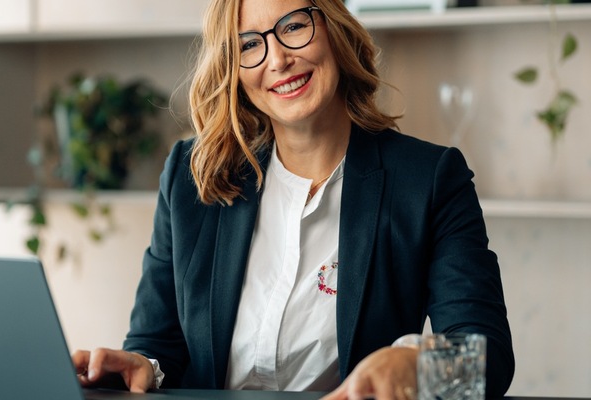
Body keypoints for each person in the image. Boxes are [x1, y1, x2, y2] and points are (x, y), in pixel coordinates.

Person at [72, 0, 515, 398]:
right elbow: (157, 344)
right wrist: (143, 365)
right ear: (234, 67)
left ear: (335, 28)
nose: (279, 60)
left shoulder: (429, 179)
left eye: (294, 26)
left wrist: (417, 366)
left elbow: (488, 360)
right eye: (249, 44)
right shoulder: (192, 175)